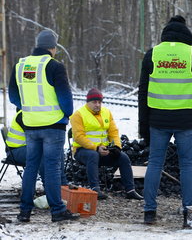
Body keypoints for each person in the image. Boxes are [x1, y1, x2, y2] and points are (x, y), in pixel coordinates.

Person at [138, 15, 192, 226]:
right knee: (187, 166)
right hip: (185, 121)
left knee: (154, 164)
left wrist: (143, 124)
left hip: (157, 119)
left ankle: (149, 211)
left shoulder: (153, 54)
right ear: (186, 33)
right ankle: (188, 213)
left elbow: (142, 92)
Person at [8, 30, 79, 222]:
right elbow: (65, 98)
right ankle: (57, 211)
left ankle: (25, 211)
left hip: (30, 125)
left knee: (31, 167)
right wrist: (66, 113)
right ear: (52, 48)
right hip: (53, 126)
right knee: (53, 167)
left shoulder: (20, 65)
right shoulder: (55, 66)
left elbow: (13, 96)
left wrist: (28, 110)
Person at [71, 88, 143, 201]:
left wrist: (117, 147)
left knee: (123, 157)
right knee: (93, 155)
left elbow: (113, 132)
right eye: (94, 102)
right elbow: (79, 137)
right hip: (82, 151)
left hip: (103, 150)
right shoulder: (78, 115)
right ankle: (95, 189)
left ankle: (130, 190)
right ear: (87, 102)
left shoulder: (107, 112)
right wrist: (96, 148)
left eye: (99, 102)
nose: (97, 105)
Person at [5, 110, 68, 185]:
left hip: (24, 148)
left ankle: (62, 184)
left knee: (57, 149)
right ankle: (49, 185)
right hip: (15, 151)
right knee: (43, 154)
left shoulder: (31, 115)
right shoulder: (23, 116)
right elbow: (37, 137)